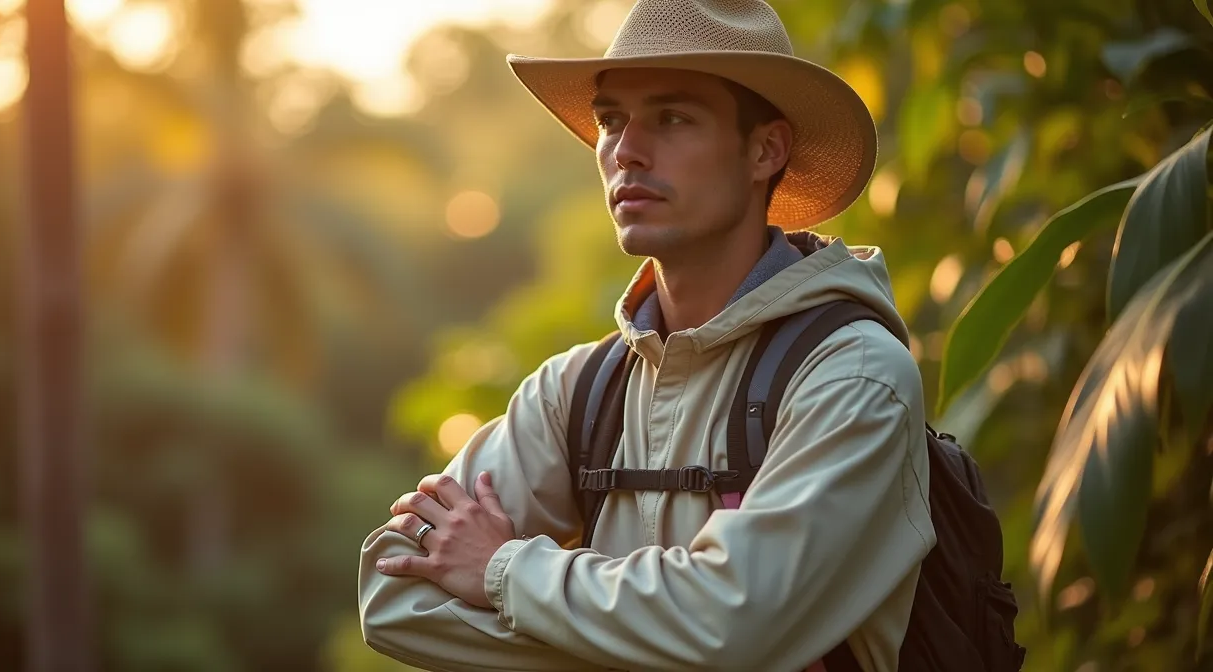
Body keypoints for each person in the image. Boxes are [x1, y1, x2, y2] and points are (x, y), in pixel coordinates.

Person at [357, 1, 936, 670]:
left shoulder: (854, 373)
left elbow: (732, 625)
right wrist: (650, 639)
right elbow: (392, 593)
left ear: (765, 149)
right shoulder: (574, 391)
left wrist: (503, 571)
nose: (625, 150)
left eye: (672, 117)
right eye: (610, 120)